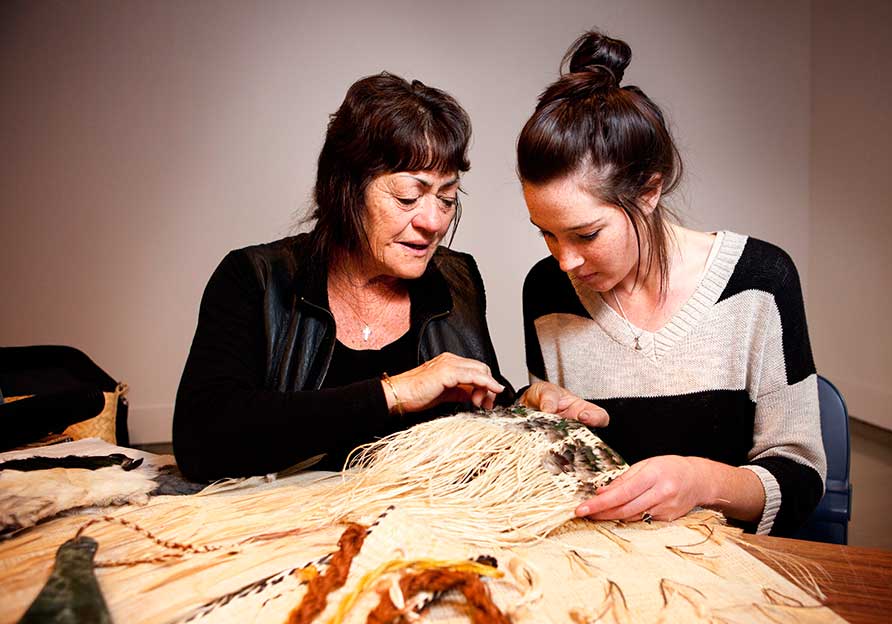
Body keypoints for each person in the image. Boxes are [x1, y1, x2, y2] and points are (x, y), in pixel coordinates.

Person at [174, 72, 605, 482]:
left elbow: (475, 414)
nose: (433, 221)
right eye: (408, 196)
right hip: (286, 541)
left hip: (415, 541)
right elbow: (202, 442)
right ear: (343, 187)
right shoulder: (256, 279)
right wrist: (393, 394)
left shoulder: (457, 281)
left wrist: (522, 407)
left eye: (448, 198)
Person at [517, 32, 825, 536]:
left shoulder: (760, 284)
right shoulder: (545, 292)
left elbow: (802, 481)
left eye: (586, 234)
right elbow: (560, 474)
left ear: (649, 190)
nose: (565, 260)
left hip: (729, 573)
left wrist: (700, 482)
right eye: (546, 234)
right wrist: (532, 418)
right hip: (598, 571)